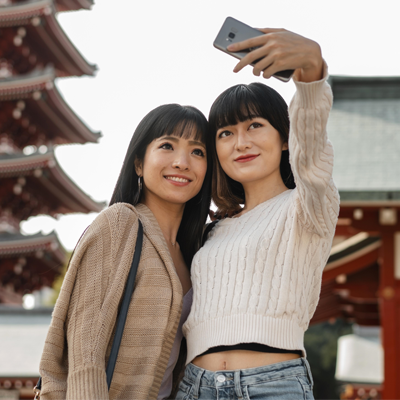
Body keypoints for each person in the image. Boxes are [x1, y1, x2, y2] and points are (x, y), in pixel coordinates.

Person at [177, 28, 340, 400]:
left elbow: (312, 155)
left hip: (273, 385)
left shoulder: (308, 207)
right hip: (194, 387)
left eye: (254, 126)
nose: (241, 142)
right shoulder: (212, 231)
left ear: (285, 138)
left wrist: (311, 72)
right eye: (226, 133)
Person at [38, 104, 213, 400]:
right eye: (167, 146)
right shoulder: (120, 224)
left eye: (198, 151)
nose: (183, 162)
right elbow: (86, 354)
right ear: (139, 164)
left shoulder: (196, 254)